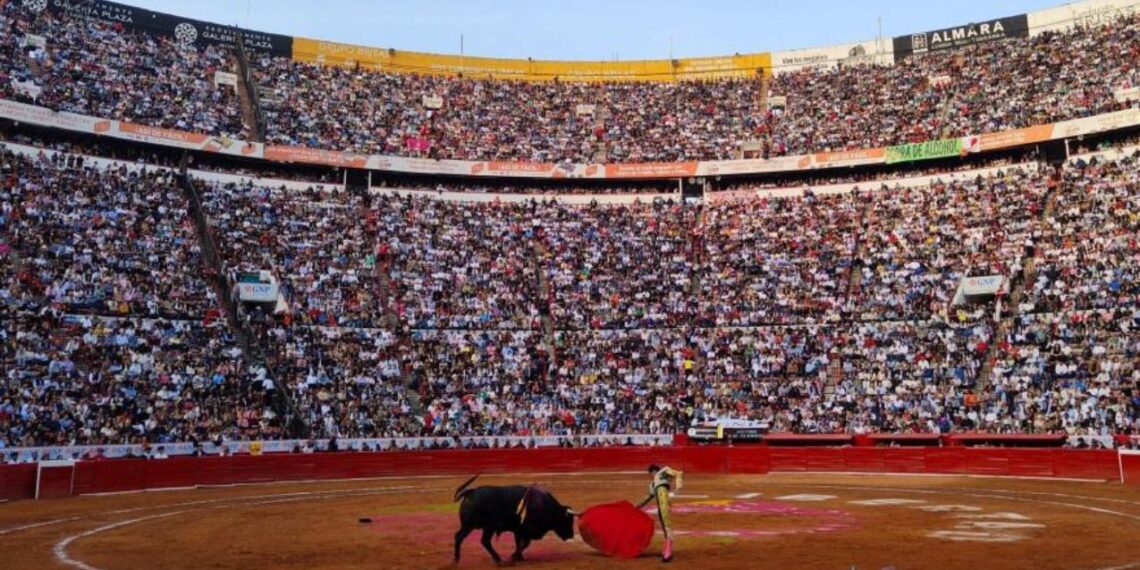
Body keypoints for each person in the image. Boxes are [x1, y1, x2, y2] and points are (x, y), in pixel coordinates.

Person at [635, 464, 683, 562]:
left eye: (651, 474)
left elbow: (678, 473)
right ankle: (666, 550)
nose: (651, 476)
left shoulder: (664, 470)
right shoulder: (653, 484)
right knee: (665, 526)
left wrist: (678, 487)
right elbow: (647, 498)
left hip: (664, 503)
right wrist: (635, 507)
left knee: (666, 525)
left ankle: (668, 553)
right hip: (661, 504)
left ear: (653, 471)